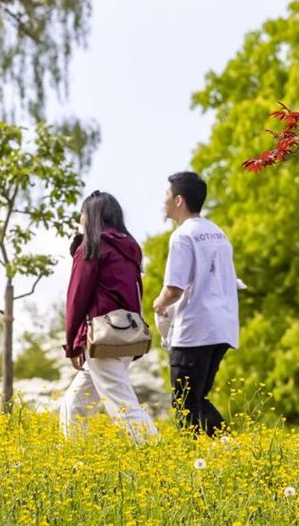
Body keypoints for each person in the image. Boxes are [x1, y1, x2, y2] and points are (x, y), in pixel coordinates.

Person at [60, 191, 157, 443]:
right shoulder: (129, 250)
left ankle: (154, 451)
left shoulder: (91, 247)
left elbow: (76, 299)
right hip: (126, 336)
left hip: (103, 338)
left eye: (82, 213)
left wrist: (71, 345)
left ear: (90, 216)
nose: (80, 218)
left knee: (122, 405)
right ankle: (76, 458)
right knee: (75, 403)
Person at [153, 172, 239, 437]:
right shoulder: (218, 233)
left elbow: (174, 288)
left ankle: (219, 451)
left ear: (179, 200)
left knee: (185, 404)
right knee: (198, 398)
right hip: (222, 328)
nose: (163, 201)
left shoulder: (182, 236)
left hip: (194, 329)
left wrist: (158, 302)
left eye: (166, 195)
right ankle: (225, 452)